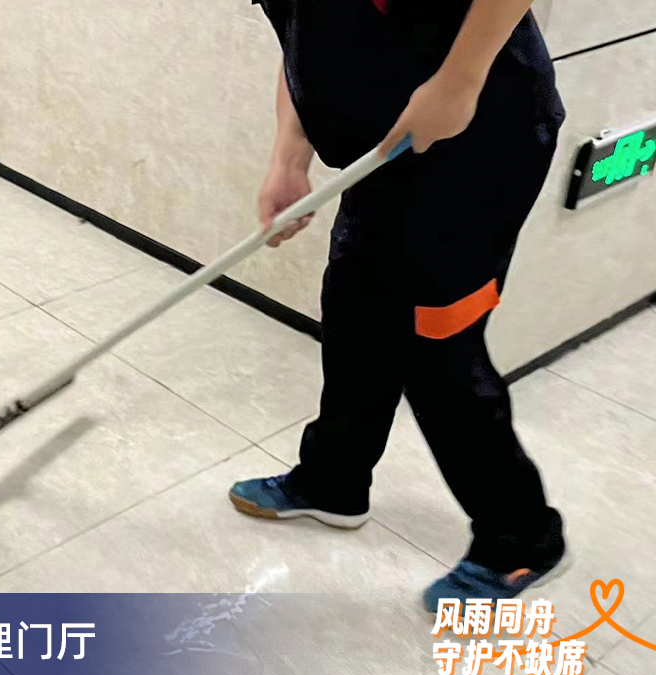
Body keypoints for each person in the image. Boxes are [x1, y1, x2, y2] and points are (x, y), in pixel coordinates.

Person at [230, 0, 568, 610]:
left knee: (436, 345)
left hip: (480, 137)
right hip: (384, 145)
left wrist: (459, 80)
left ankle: (522, 538)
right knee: (356, 309)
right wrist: (288, 158)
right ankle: (333, 480)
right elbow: (304, 29)